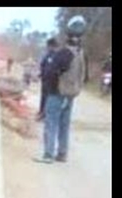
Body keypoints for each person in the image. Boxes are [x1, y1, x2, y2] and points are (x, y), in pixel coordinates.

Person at [38, 16, 87, 163]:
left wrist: (48, 85)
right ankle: (62, 154)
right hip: (71, 94)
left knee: (51, 122)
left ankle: (48, 154)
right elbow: (85, 75)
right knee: (64, 125)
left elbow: (50, 73)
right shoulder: (81, 53)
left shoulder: (64, 53)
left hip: (56, 93)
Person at [36, 38, 59, 121]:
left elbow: (49, 68)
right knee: (44, 97)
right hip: (45, 80)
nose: (48, 48)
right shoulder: (47, 55)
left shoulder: (55, 56)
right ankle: (42, 112)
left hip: (51, 81)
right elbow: (42, 65)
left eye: (49, 46)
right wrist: (41, 74)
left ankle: (45, 114)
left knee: (48, 98)